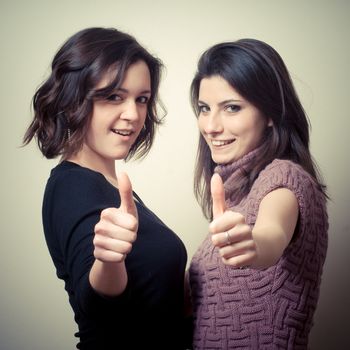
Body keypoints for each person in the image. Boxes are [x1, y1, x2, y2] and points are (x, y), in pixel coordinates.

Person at [23, 27, 189, 349]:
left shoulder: (109, 187)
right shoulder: (72, 187)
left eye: (141, 99)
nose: (133, 114)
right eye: (114, 96)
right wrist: (108, 262)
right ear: (73, 100)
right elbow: (94, 303)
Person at [188, 39, 328, 349]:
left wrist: (254, 244)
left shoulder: (284, 177)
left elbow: (271, 235)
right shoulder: (240, 192)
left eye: (232, 108)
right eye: (204, 109)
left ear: (269, 113)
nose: (210, 126)